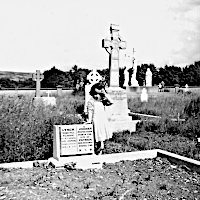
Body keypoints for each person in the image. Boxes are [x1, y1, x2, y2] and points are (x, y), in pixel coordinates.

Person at [86, 82, 113, 155]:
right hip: (96, 119)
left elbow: (111, 102)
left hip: (102, 119)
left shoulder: (102, 100)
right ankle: (96, 150)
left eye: (98, 94)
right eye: (95, 94)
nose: (96, 96)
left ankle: (100, 149)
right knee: (97, 135)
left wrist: (104, 93)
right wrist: (89, 120)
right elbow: (90, 111)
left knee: (102, 135)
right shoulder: (91, 101)